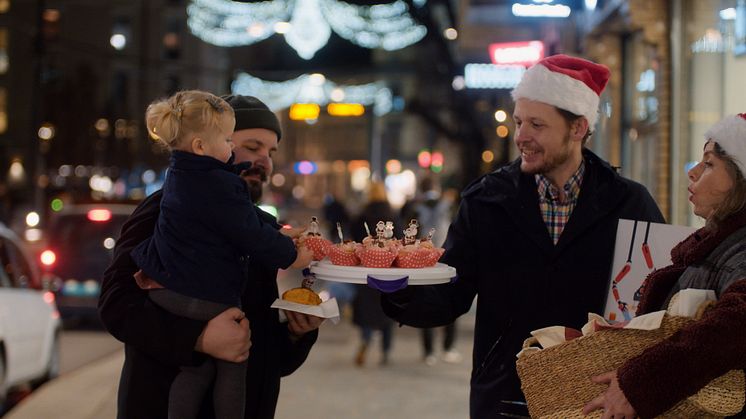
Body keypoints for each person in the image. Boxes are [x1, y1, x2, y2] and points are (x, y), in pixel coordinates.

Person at [381, 54, 665, 418]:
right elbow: (450, 296)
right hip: (505, 398)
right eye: (518, 122)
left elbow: (656, 305)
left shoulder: (629, 202)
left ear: (577, 128)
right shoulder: (486, 200)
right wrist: (396, 286)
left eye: (536, 124)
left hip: (596, 400)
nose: (521, 137)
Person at [98, 94, 323, 419]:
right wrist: (199, 338)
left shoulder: (260, 230)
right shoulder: (167, 209)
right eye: (252, 146)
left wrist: (295, 332)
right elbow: (116, 306)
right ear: (204, 144)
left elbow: (266, 360)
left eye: (271, 152)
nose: (265, 162)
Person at [583, 114, 746, 419]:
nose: (694, 172)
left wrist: (643, 382)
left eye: (709, 164)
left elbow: (737, 325)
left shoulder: (739, 246)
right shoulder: (716, 241)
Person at [350, 181, 399, 366]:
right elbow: (399, 239)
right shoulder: (392, 215)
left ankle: (365, 341)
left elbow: (355, 239)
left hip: (366, 271)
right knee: (387, 310)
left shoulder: (363, 215)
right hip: (388, 271)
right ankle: (386, 352)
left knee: (366, 310)